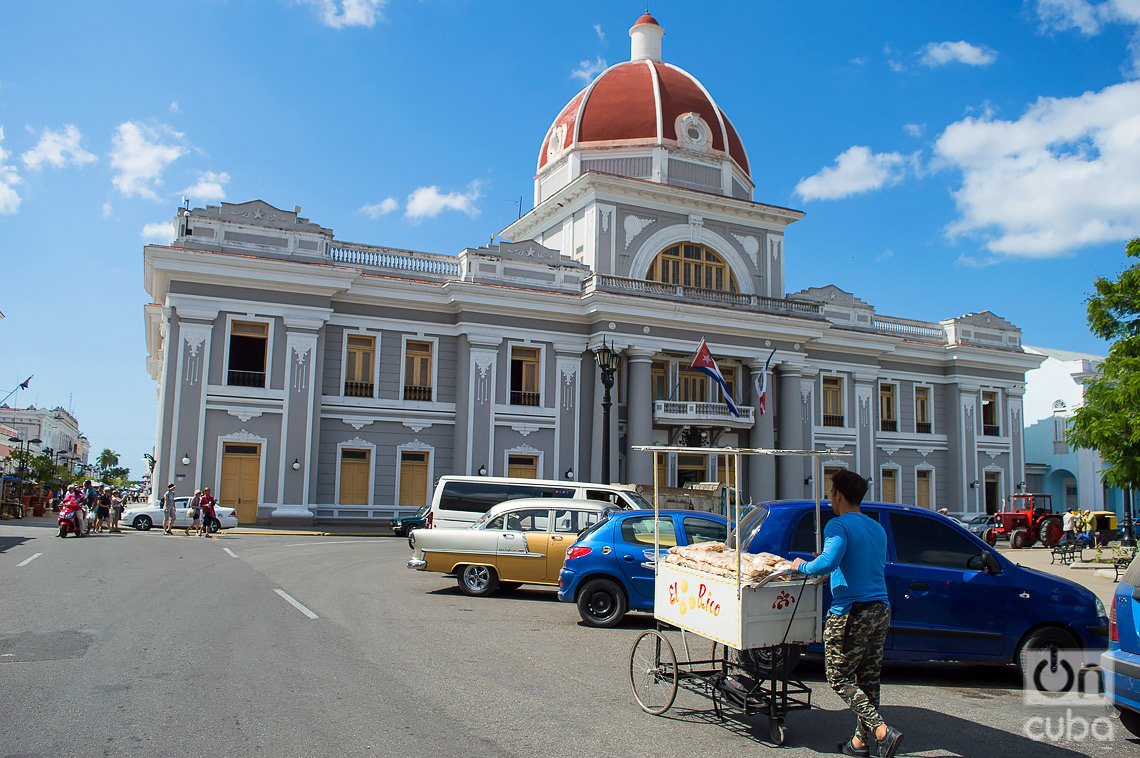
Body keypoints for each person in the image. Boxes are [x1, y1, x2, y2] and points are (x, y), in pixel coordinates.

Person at [790, 471, 903, 758]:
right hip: (881, 608)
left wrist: (801, 566)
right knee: (868, 679)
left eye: (830, 492)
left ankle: (881, 730)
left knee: (839, 677)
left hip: (852, 611)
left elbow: (827, 563)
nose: (830, 497)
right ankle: (859, 743)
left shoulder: (837, 526)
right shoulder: (876, 527)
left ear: (838, 495)